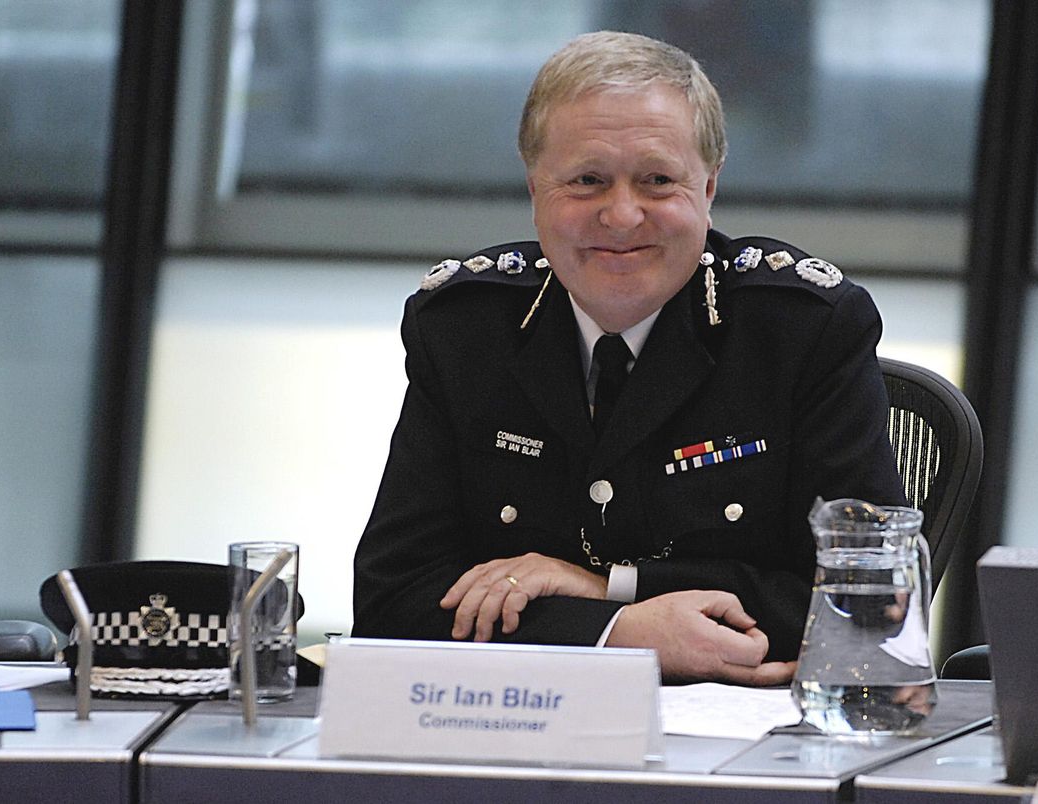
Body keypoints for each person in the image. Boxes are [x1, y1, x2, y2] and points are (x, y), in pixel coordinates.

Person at [352, 31, 907, 685]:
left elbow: (870, 606)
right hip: (520, 728)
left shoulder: (802, 330)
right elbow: (393, 603)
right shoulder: (466, 329)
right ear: (535, 190)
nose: (621, 215)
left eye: (657, 181)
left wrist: (607, 586)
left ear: (709, 187)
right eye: (587, 181)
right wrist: (620, 633)